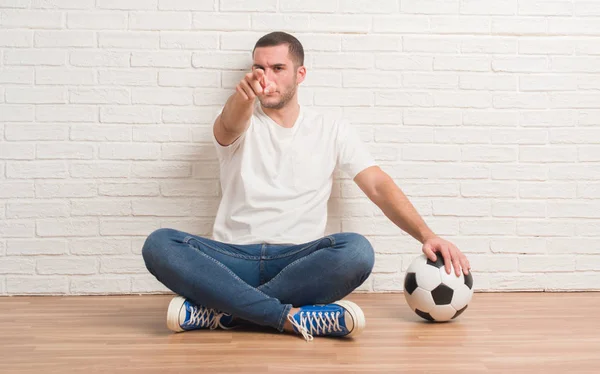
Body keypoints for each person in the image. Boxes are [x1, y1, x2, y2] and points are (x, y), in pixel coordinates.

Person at [142, 31, 471, 342]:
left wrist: (427, 235)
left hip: (297, 263)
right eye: (258, 67)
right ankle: (287, 317)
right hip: (232, 259)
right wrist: (241, 100)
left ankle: (223, 313)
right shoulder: (239, 119)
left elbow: (377, 186)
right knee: (159, 244)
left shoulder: (331, 128)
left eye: (277, 68)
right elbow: (230, 123)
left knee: (356, 252)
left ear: (300, 74)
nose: (265, 76)